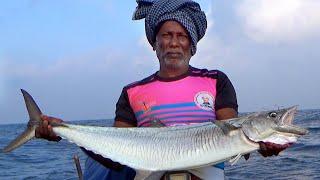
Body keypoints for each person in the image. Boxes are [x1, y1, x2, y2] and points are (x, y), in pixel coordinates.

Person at [35, 0, 290, 179]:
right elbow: (115, 154)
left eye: (181, 36)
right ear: (154, 43)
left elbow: (230, 136)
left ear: (192, 44)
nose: (174, 43)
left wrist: (261, 146)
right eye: (166, 35)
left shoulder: (216, 81)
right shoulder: (132, 92)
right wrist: (62, 132)